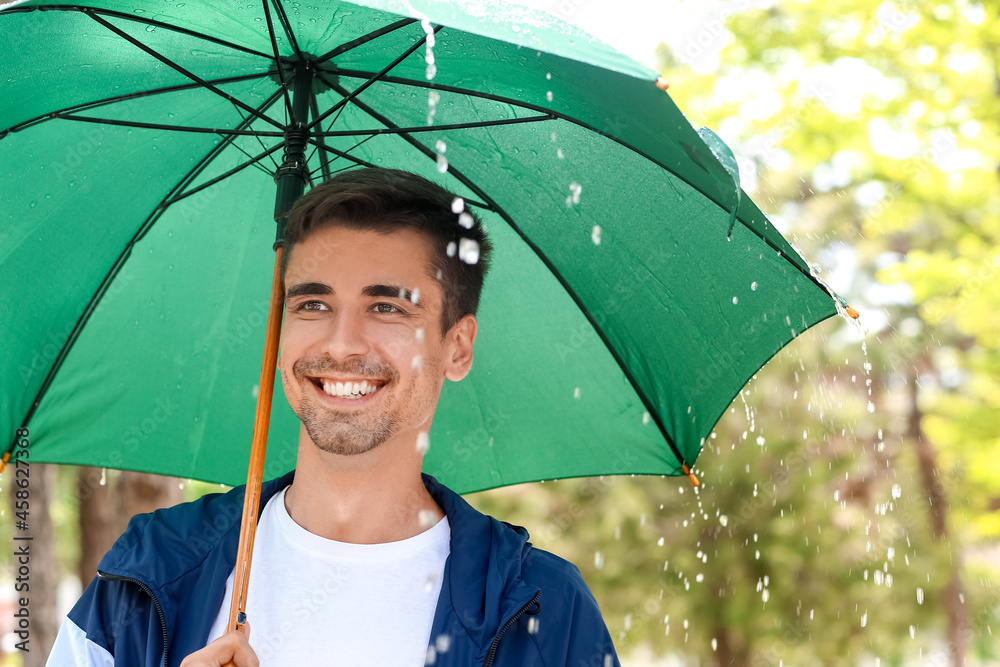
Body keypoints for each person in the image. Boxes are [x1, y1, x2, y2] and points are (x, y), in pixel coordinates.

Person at [47, 168, 621, 667]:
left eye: (387, 306)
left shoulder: (543, 608)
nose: (342, 344)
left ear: (459, 347)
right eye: (312, 304)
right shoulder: (149, 573)